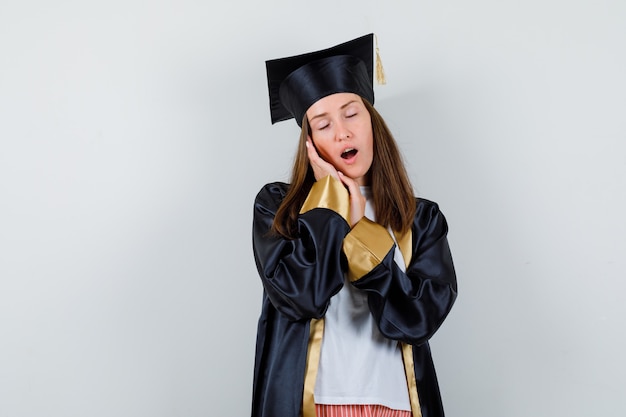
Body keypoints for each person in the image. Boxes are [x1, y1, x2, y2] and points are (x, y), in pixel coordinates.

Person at [251, 34, 457, 417]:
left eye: (351, 113)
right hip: (309, 406)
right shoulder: (278, 208)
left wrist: (362, 228)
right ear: (309, 143)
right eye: (323, 124)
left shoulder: (421, 219)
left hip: (397, 406)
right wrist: (330, 206)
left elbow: (417, 319)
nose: (342, 132)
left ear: (372, 123)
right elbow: (303, 297)